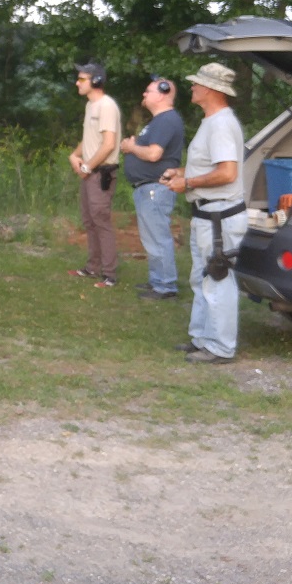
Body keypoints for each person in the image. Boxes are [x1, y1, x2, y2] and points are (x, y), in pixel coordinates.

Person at [160, 64, 246, 364]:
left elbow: (227, 173)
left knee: (217, 278)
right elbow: (210, 166)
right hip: (207, 215)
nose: (193, 87)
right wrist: (181, 172)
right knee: (202, 278)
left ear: (211, 89)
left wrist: (188, 183)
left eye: (197, 83)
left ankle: (221, 347)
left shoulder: (221, 124)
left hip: (219, 216)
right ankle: (202, 339)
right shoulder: (211, 122)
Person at [121, 77, 185, 301]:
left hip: (155, 189)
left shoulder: (166, 120)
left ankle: (165, 286)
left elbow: (154, 154)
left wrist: (131, 147)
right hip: (148, 188)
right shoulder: (159, 121)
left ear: (163, 94)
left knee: (157, 238)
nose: (144, 95)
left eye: (148, 91)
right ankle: (157, 280)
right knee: (152, 238)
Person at [68, 62, 121, 287]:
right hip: (90, 172)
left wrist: (87, 167)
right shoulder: (91, 105)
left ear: (96, 81)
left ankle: (109, 275)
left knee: (101, 221)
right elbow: (90, 138)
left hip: (101, 173)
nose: (77, 83)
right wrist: (75, 155)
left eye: (82, 79)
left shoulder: (106, 106)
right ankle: (92, 267)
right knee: (90, 221)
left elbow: (108, 144)